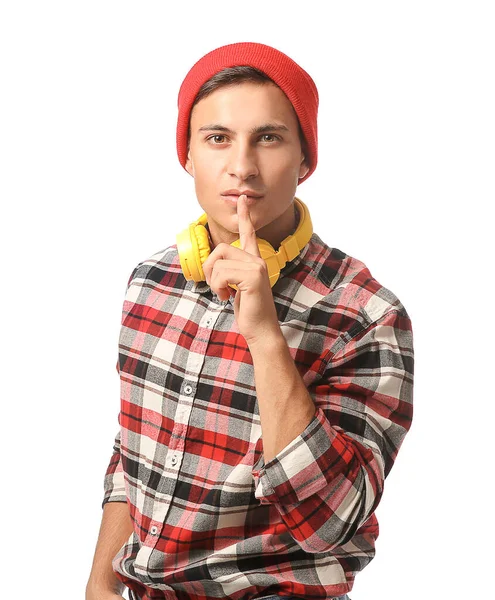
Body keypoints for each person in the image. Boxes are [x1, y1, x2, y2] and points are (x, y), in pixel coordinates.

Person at [86, 42, 414, 600]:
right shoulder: (151, 281)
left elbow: (332, 521)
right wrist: (100, 583)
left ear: (306, 159)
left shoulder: (366, 314)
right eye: (217, 138)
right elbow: (133, 451)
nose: (241, 166)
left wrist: (265, 336)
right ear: (187, 155)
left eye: (269, 137)